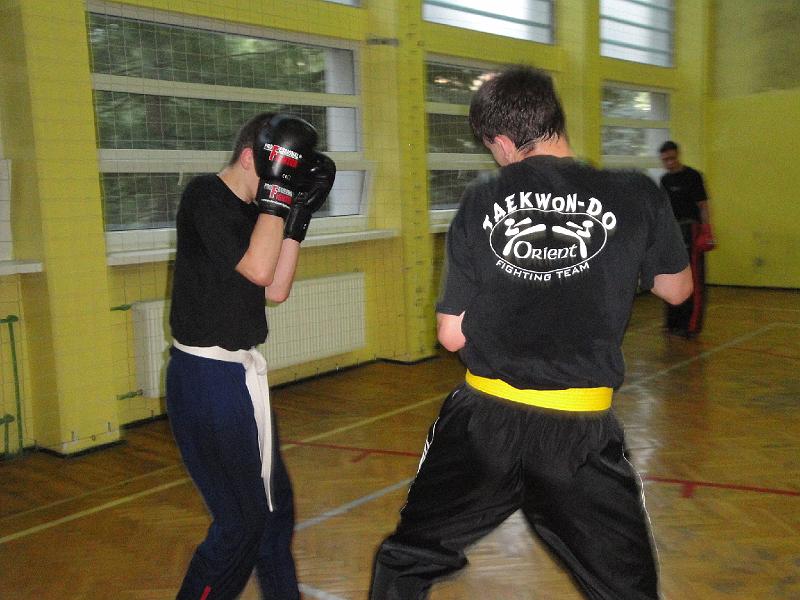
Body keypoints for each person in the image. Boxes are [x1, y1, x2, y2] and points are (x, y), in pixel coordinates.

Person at [370, 66, 692, 600]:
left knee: (407, 561)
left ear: (500, 141)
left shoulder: (482, 197)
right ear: (555, 118)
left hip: (483, 424)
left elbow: (452, 335)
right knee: (626, 588)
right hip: (578, 433)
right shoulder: (636, 192)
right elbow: (676, 290)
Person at [166, 112, 335, 600]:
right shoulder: (205, 196)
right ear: (250, 157)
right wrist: (280, 198)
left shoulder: (255, 212)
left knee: (275, 509)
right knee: (241, 522)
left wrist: (297, 216)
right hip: (207, 379)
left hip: (234, 378)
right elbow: (260, 269)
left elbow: (275, 288)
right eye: (279, 172)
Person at [659, 140, 714, 338]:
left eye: (672, 158)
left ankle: (691, 326)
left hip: (691, 230)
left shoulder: (693, 176)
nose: (669, 162)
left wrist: (707, 230)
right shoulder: (665, 180)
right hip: (672, 232)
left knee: (694, 280)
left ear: (678, 155)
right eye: (665, 160)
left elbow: (703, 205)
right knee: (671, 278)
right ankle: (673, 323)